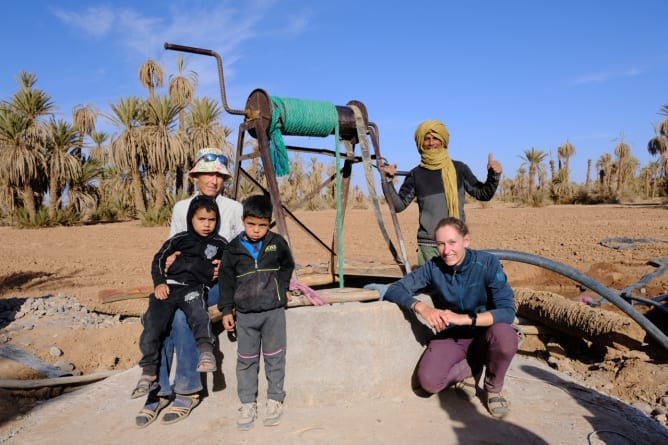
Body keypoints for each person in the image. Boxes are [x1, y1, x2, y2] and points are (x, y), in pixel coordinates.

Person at [135, 147, 243, 428]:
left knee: (183, 316)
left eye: (219, 175)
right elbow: (171, 249)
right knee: (158, 316)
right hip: (183, 278)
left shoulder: (234, 208)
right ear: (195, 175)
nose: (213, 180)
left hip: (216, 282)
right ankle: (157, 391)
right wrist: (168, 267)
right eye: (207, 173)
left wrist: (226, 265)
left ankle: (187, 389)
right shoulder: (182, 208)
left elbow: (240, 248)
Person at [383, 217, 518, 419]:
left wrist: (465, 318)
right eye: (441, 244)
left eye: (452, 243)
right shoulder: (433, 267)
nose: (447, 251)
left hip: (485, 333)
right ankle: (471, 369)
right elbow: (394, 289)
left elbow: (507, 311)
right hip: (452, 335)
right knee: (429, 382)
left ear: (466, 241)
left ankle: (493, 389)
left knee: (506, 336)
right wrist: (421, 307)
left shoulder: (487, 263)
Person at [132, 195, 226, 399]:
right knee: (152, 323)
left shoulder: (219, 243)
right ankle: (148, 373)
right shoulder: (178, 239)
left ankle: (205, 352)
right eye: (201, 219)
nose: (207, 225)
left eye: (211, 220)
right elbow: (159, 259)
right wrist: (159, 283)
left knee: (197, 314)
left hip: (194, 289)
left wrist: (223, 267)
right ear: (191, 219)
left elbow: (232, 263)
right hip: (169, 289)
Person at [218, 194, 295, 430]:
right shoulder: (232, 249)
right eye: (252, 224)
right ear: (243, 220)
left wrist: (281, 290)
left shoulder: (277, 243)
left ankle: (274, 399)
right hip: (246, 315)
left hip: (273, 312)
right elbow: (226, 280)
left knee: (274, 357)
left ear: (269, 223)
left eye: (262, 225)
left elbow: (287, 265)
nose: (256, 230)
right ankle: (248, 403)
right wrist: (226, 310)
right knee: (246, 361)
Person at [381, 119, 502, 265]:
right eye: (426, 139)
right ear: (420, 143)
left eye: (435, 138)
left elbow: (484, 194)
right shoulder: (416, 174)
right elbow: (398, 206)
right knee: (430, 287)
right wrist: (387, 181)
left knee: (458, 286)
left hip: (456, 243)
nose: (431, 143)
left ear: (443, 141)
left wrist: (493, 176)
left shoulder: (459, 169)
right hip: (429, 247)